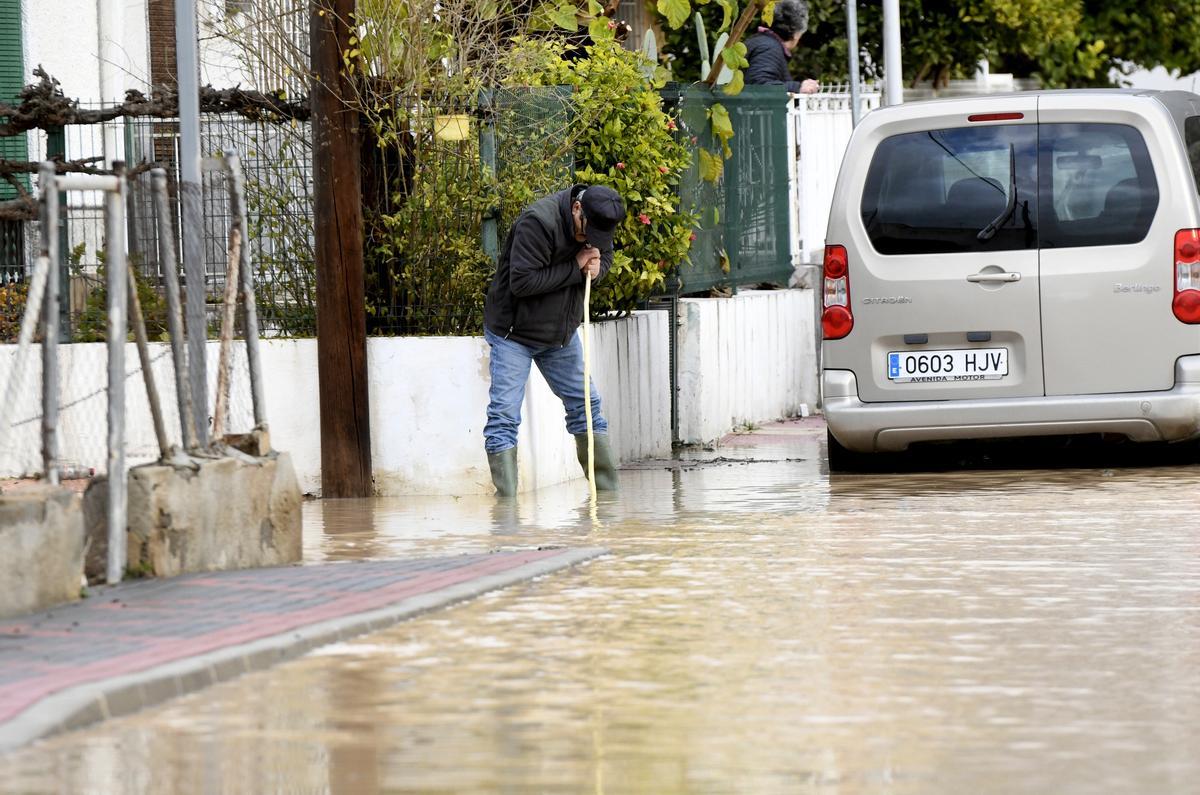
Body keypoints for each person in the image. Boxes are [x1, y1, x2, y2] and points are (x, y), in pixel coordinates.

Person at [482, 184, 627, 497]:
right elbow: (522, 282)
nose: (591, 241)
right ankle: (505, 514)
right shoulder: (537, 223)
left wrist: (597, 269)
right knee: (504, 416)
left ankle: (607, 500)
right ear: (577, 209)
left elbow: (604, 256)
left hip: (559, 334)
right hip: (513, 333)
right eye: (588, 232)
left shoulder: (599, 221)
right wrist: (576, 267)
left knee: (587, 406)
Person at [744, 0, 820, 95]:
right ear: (796, 34)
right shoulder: (769, 49)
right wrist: (799, 88)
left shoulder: (760, 41)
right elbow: (760, 87)